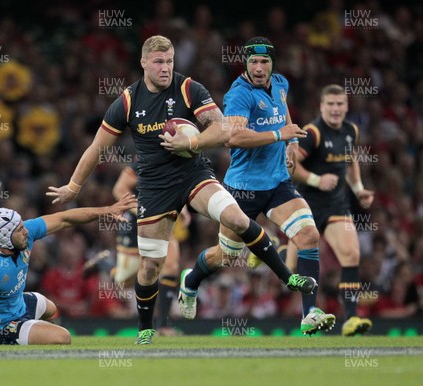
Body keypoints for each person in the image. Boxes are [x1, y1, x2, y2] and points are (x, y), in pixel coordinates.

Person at [47, 35, 316, 345]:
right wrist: (73, 185)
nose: (165, 68)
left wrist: (192, 142)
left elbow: (223, 129)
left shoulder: (189, 88)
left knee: (237, 219)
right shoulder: (128, 101)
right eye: (159, 62)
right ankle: (146, 327)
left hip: (193, 174)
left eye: (170, 61)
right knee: (150, 266)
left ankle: (288, 278)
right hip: (154, 186)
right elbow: (97, 147)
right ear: (144, 63)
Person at [177, 37, 336, 336]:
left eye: (264, 62)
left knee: (309, 234)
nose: (259, 68)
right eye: (253, 62)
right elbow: (233, 138)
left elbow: (283, 111)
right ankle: (191, 280)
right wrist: (279, 135)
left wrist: (290, 141)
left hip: (277, 184)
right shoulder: (239, 95)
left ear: (272, 63)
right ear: (246, 64)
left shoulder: (280, 83)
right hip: (242, 190)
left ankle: (309, 313)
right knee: (226, 256)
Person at [0, 194, 136, 346]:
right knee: (63, 338)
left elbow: (64, 219)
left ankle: (30, 331)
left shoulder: (23, 233)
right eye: (19, 230)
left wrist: (107, 210)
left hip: (18, 303)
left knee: (50, 308)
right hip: (0, 325)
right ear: (4, 239)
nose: (26, 232)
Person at [287, 84, 374, 336]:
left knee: (351, 253)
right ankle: (278, 248)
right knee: (291, 270)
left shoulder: (351, 131)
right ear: (322, 106)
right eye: (331, 104)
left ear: (346, 107)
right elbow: (291, 165)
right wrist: (317, 180)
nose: (336, 109)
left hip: (336, 206)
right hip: (306, 206)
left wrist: (358, 189)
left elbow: (351, 159)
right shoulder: (313, 133)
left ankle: (352, 319)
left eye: (340, 104)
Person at [112, 163, 189, 334]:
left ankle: (163, 325)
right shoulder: (144, 161)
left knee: (171, 267)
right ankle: (109, 267)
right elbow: (119, 189)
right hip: (138, 223)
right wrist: (141, 211)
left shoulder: (181, 162)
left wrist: (183, 208)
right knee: (125, 281)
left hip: (164, 222)